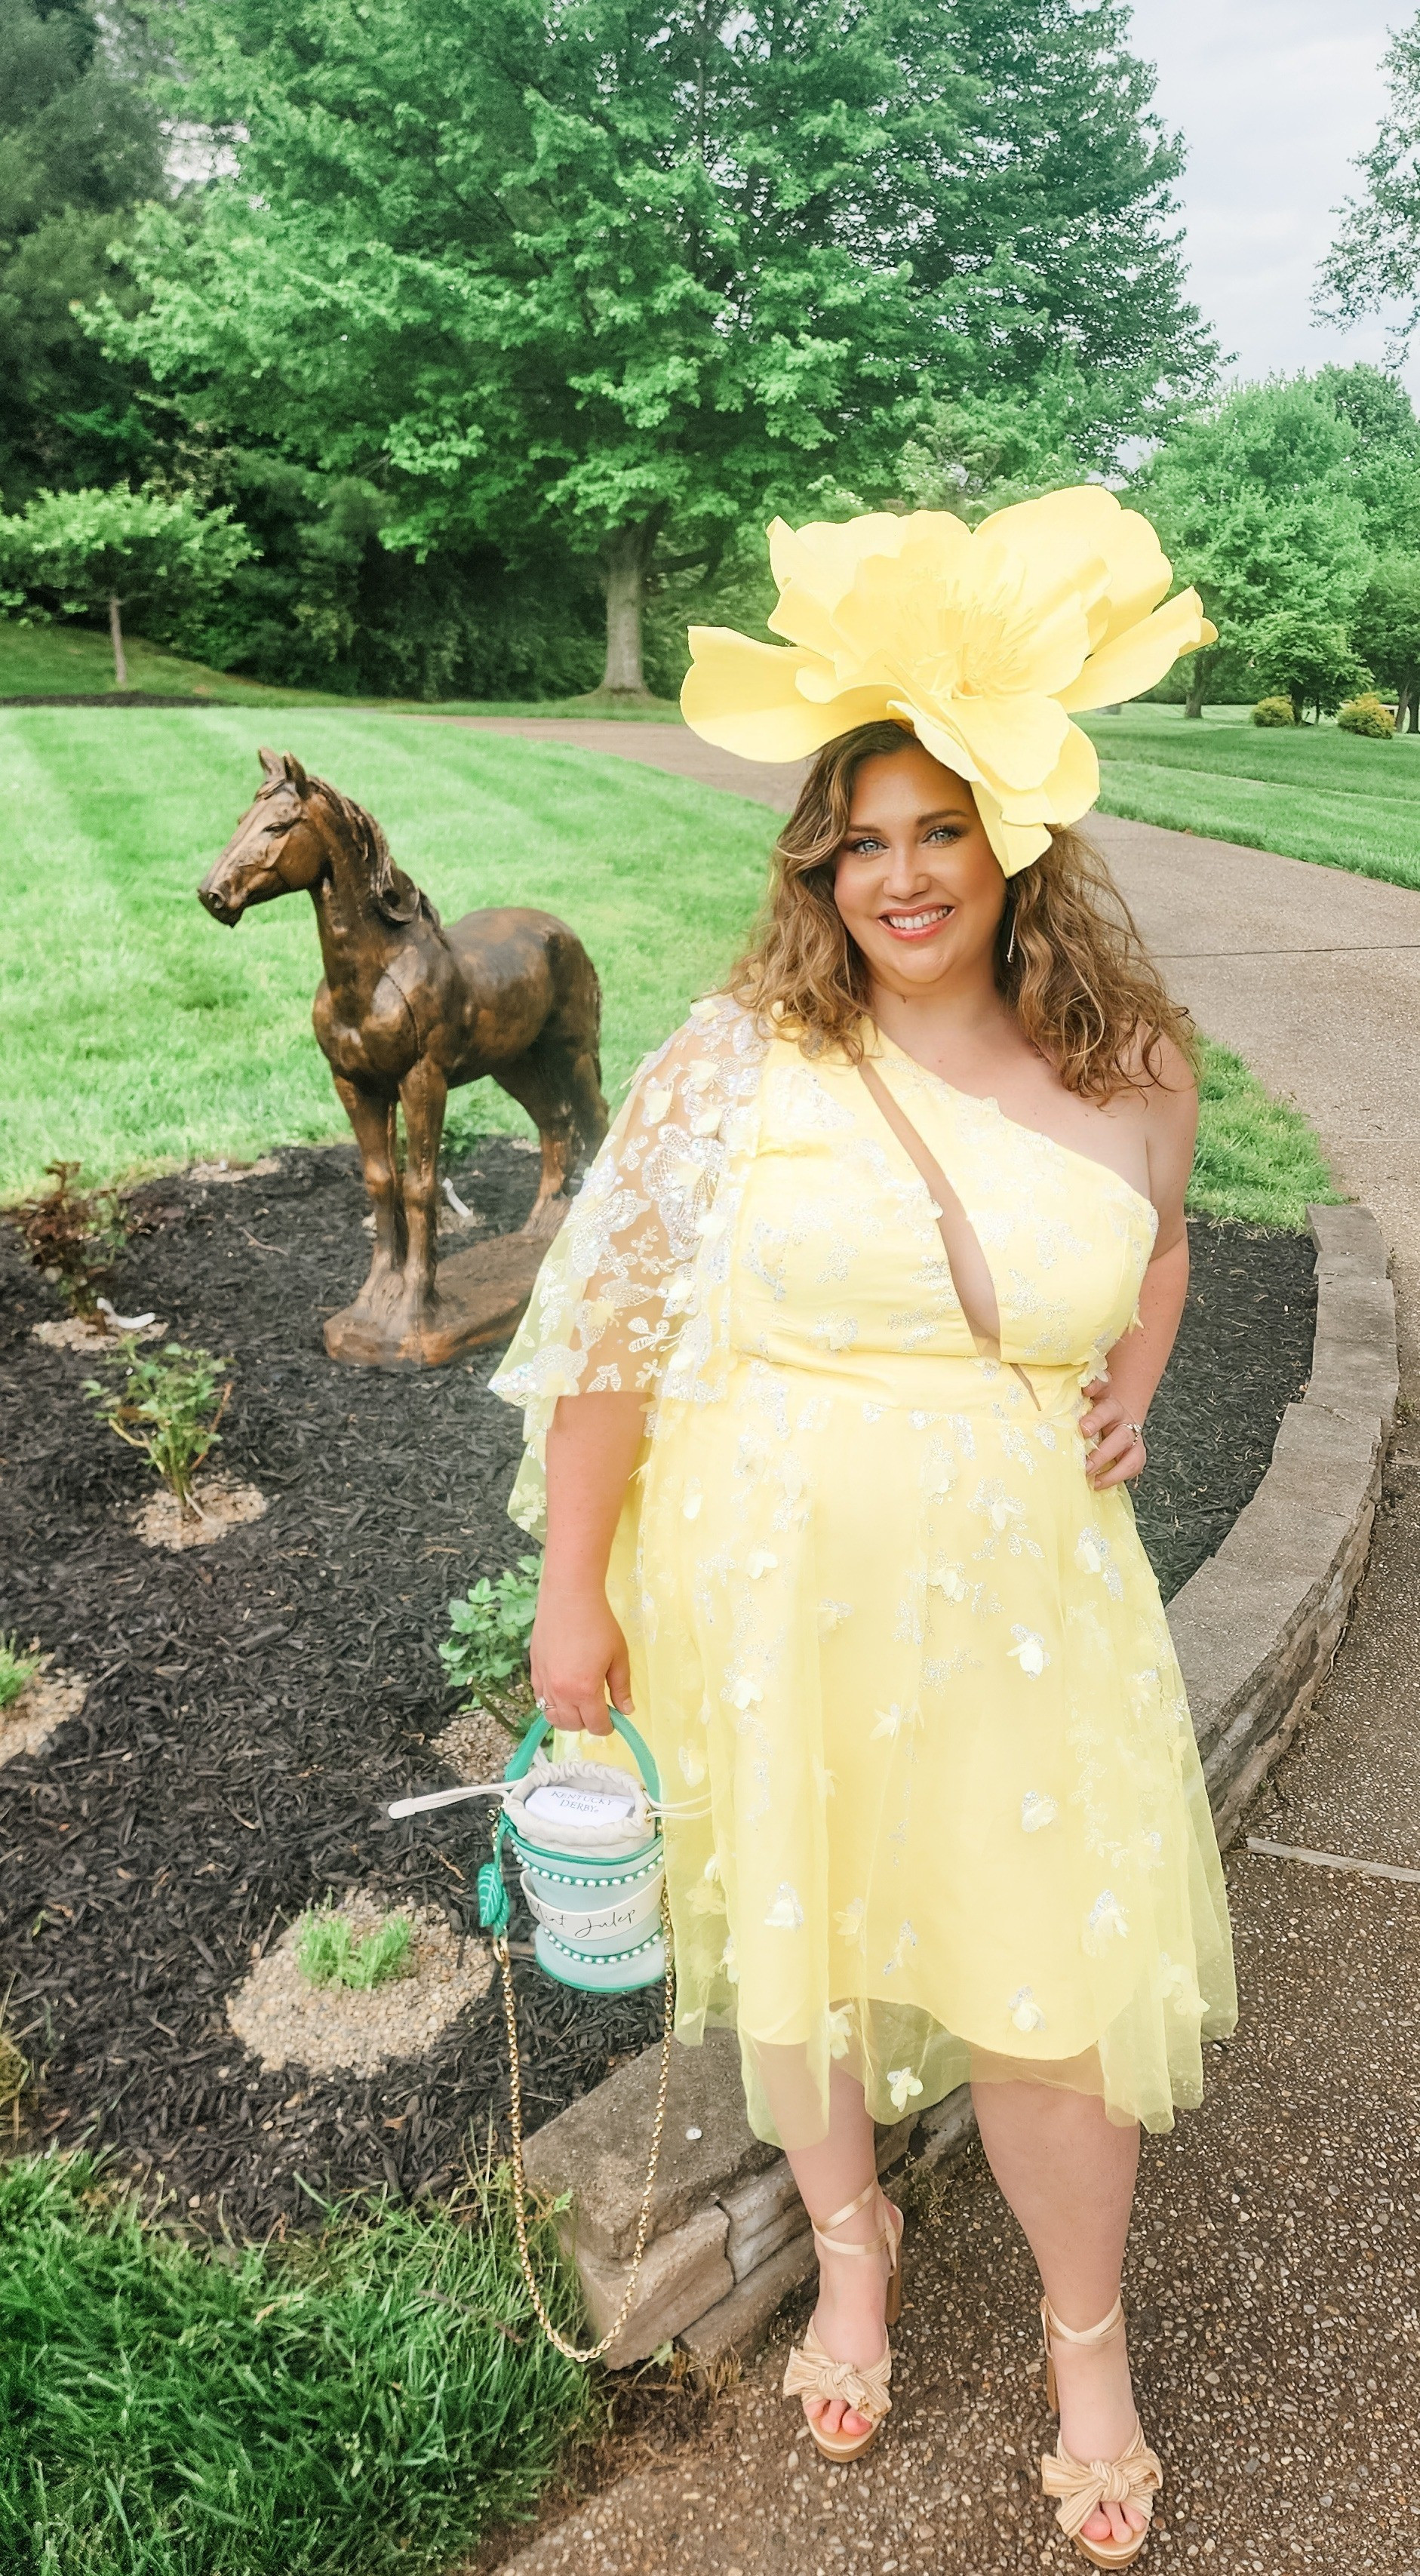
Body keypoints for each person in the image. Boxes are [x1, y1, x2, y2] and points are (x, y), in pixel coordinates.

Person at [492, 493, 1236, 2569]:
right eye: (859, 838)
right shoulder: (735, 1063)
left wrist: (1140, 1382)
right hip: (761, 1590)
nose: (899, 873)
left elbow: (1162, 1247)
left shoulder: (1129, 1065)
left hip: (1024, 1605)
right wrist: (571, 1598)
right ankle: (851, 2251)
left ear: (1014, 841)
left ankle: (1084, 2350)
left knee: (1046, 1993)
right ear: (817, 863)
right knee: (797, 1962)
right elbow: (604, 1340)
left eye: (937, 828)